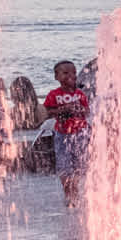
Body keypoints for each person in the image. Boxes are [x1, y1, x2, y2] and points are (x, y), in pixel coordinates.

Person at [44, 61, 90, 207]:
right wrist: (62, 110)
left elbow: (87, 111)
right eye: (65, 73)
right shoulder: (53, 95)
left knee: (79, 164)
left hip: (80, 134)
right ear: (56, 77)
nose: (71, 76)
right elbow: (47, 112)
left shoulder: (80, 94)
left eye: (74, 73)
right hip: (62, 135)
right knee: (64, 166)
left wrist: (79, 110)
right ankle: (68, 194)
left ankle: (76, 192)